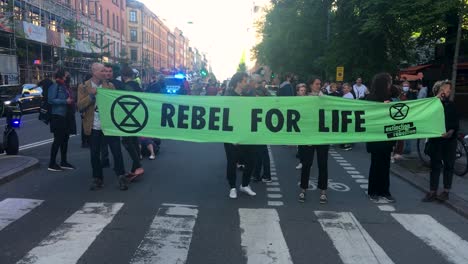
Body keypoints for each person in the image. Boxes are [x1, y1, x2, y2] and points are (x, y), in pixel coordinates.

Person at [78, 63, 129, 191]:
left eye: (106, 71)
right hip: (94, 126)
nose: (105, 73)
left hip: (109, 126)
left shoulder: (110, 86)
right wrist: (91, 96)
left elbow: (116, 104)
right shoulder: (84, 87)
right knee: (94, 154)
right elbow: (79, 106)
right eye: (102, 71)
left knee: (117, 152)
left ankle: (121, 176)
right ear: (94, 72)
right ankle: (97, 178)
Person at [422, 80, 459, 202]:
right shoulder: (431, 104)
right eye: (444, 89)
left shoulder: (451, 105)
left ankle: (446, 191)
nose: (447, 92)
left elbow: (455, 123)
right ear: (438, 91)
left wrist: (450, 132)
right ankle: (432, 191)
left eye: (448, 90)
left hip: (449, 140)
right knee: (435, 166)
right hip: (436, 140)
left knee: (449, 165)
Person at [224, 72, 256, 199]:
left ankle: (245, 184)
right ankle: (232, 187)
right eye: (244, 81)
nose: (246, 83)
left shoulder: (246, 95)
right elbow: (226, 116)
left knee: (251, 159)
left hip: (245, 134)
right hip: (231, 134)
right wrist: (232, 136)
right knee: (232, 161)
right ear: (238, 82)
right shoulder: (228, 96)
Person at [298, 78, 329, 204]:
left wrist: (323, 98)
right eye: (316, 84)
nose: (319, 85)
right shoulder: (305, 99)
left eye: (320, 84)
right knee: (306, 164)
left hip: (322, 136)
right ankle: (303, 189)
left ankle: (323, 191)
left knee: (323, 164)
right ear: (311, 85)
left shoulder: (325, 98)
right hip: (309, 135)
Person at [366, 73, 396, 203]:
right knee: (376, 164)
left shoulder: (391, 97)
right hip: (375, 136)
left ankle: (385, 191)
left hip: (387, 136)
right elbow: (368, 115)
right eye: (389, 82)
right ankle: (373, 191)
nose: (391, 84)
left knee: (385, 165)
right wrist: (381, 107)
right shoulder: (370, 98)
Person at [47, 69, 76, 171]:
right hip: (57, 116)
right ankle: (52, 163)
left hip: (66, 115)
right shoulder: (55, 86)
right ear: (62, 76)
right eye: (67, 75)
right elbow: (50, 100)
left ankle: (64, 161)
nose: (68, 77)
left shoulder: (65, 86)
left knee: (65, 139)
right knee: (58, 140)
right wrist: (65, 101)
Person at [119, 66, 145, 181]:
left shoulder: (126, 87)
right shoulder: (137, 86)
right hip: (137, 117)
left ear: (123, 76)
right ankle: (135, 169)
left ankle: (138, 166)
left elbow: (126, 101)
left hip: (128, 118)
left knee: (126, 141)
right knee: (134, 141)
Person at [250, 74, 272, 183]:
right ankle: (257, 174)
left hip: (260, 123)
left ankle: (264, 174)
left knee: (261, 151)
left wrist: (260, 100)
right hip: (258, 123)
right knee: (259, 151)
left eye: (251, 81)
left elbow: (271, 102)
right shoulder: (261, 90)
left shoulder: (260, 91)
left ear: (255, 81)